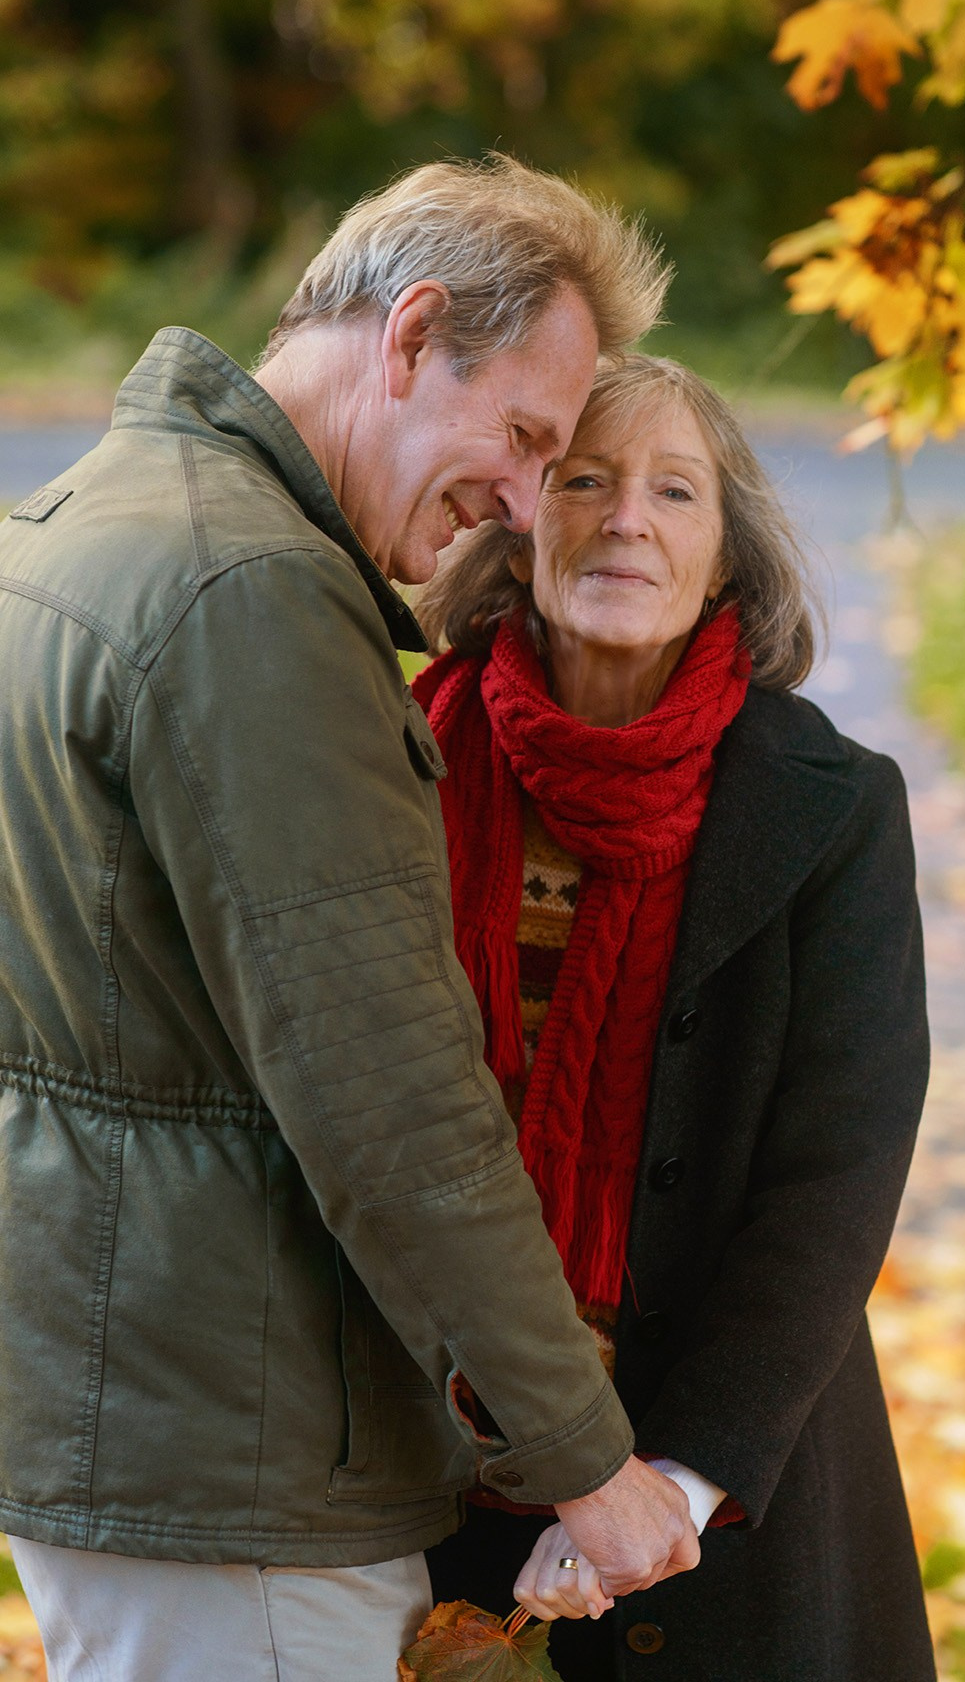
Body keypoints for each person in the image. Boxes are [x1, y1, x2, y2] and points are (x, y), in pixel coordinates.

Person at [0, 159, 702, 1682]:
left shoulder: (78, 523)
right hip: (237, 1467)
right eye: (519, 436)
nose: (521, 506)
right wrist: (585, 1453)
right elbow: (384, 1085)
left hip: (134, 1429)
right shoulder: (248, 594)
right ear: (409, 334)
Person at [414, 355, 936, 1681]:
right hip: (418, 1475)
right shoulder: (394, 760)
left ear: (722, 560)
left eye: (672, 489)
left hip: (726, 1498)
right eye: (580, 480)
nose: (623, 517)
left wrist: (679, 1478)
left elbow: (836, 1175)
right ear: (517, 530)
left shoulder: (830, 805)